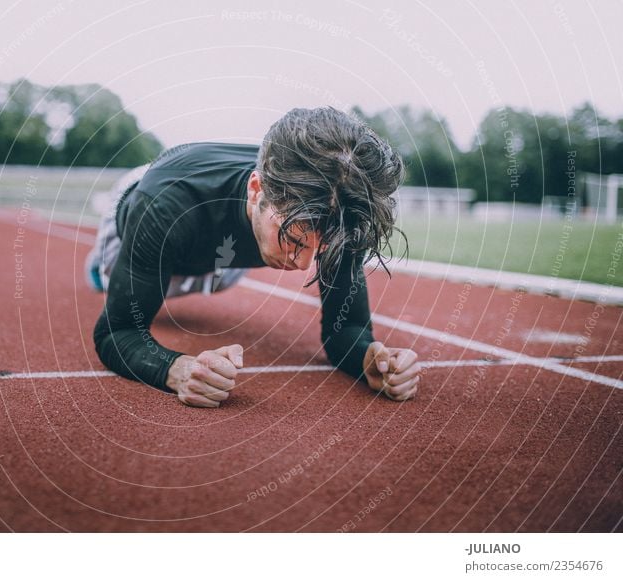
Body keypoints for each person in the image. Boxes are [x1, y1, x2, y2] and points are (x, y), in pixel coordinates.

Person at [89, 107, 421, 408]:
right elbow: (117, 333)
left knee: (218, 281)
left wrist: (368, 358)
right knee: (116, 281)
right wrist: (177, 369)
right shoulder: (162, 204)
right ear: (255, 189)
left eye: (320, 249)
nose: (303, 265)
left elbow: (345, 328)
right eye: (292, 238)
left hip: (226, 249)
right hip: (146, 207)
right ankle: (99, 268)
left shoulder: (342, 211)